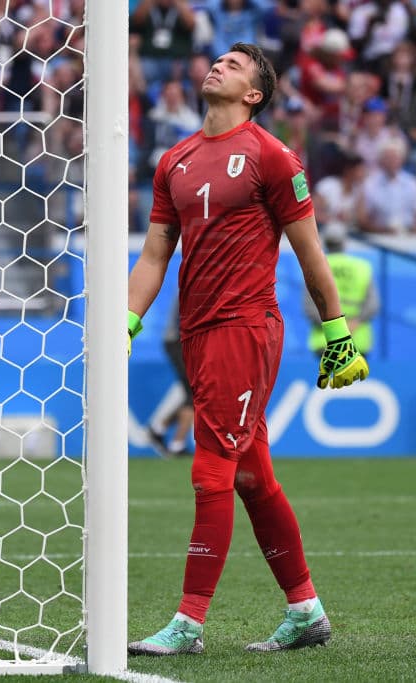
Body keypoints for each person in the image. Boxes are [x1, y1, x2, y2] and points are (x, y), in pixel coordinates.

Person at [125, 42, 369, 656]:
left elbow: (311, 252)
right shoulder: (174, 159)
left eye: (234, 66)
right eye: (218, 61)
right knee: (253, 478)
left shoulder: (271, 155)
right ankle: (306, 610)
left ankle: (188, 623)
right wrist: (125, 322)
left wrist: (337, 331)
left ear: (253, 95)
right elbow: (155, 254)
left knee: (211, 472)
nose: (217, 66)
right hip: (197, 332)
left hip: (246, 327)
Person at [304, 223, 380, 357]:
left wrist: (336, 327)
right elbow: (373, 305)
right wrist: (354, 323)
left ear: (324, 242)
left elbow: (309, 307)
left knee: (326, 378)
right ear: (344, 242)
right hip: (357, 339)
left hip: (325, 341)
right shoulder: (362, 267)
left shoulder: (314, 267)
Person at [146, 301, 194, 458]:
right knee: (195, 393)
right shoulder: (197, 281)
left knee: (196, 392)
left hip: (182, 340)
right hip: (179, 340)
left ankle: (159, 427)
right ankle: (177, 444)